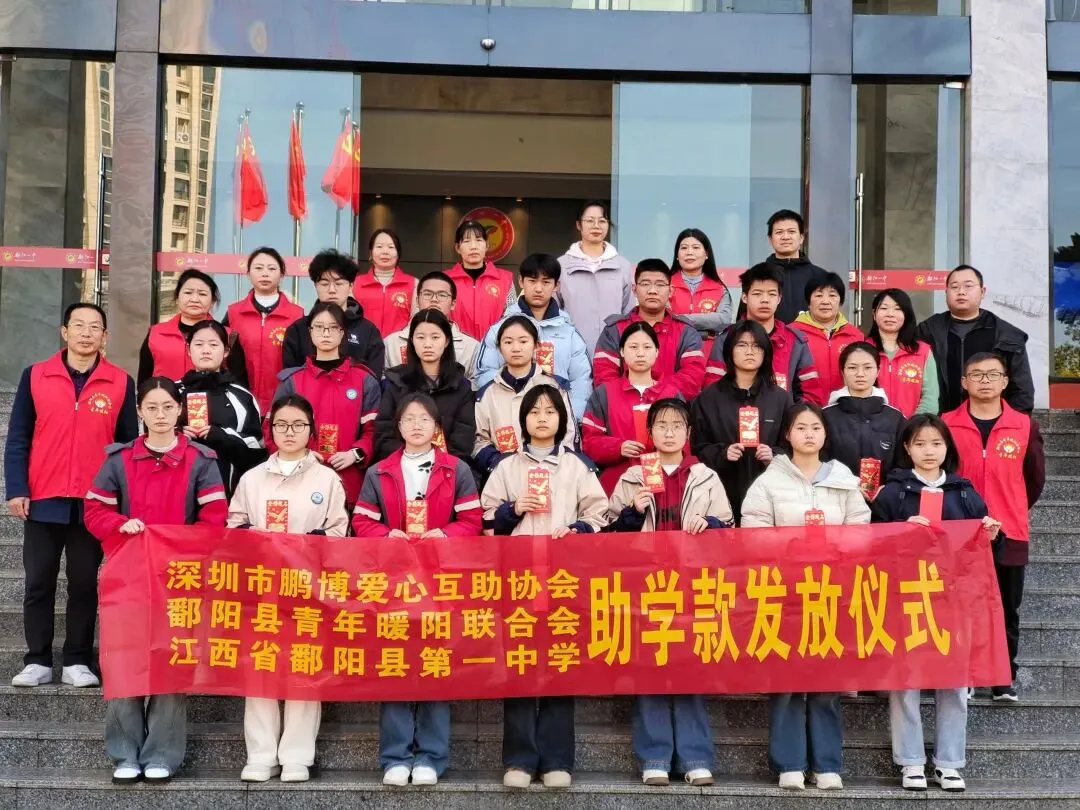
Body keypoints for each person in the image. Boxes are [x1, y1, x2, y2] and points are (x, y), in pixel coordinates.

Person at [84, 377, 227, 784]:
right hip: (127, 575)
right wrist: (119, 523)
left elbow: (214, 519)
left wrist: (184, 545)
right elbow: (94, 511)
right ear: (139, 412)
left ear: (180, 410)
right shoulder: (119, 459)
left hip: (179, 577)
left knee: (170, 661)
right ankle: (125, 753)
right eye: (152, 407)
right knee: (124, 660)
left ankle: (163, 752)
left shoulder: (201, 460)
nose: (160, 415)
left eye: (167, 407)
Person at [481, 384, 609, 790]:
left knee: (560, 666)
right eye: (534, 411)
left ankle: (556, 759)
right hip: (518, 582)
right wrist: (513, 509)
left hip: (562, 581)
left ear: (561, 419)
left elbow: (601, 513)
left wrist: (577, 529)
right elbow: (486, 520)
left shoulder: (577, 466)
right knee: (519, 668)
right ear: (524, 420)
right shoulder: (506, 467)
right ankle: (519, 759)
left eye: (550, 411)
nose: (541, 418)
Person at [352, 393, 483, 787]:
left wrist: (444, 534)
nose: (416, 425)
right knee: (394, 664)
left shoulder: (456, 469)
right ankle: (395, 756)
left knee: (435, 665)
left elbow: (472, 520)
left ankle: (430, 756)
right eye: (408, 418)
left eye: (424, 419)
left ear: (436, 426)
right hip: (393, 581)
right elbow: (362, 521)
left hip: (440, 580)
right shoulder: (380, 471)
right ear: (399, 426)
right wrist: (386, 535)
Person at [4, 303, 138, 689]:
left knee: (83, 583)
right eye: (78, 325)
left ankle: (78, 660)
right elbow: (18, 437)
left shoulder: (120, 381)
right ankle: (37, 660)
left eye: (95, 327)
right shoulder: (36, 375)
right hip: (43, 497)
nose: (86, 333)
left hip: (94, 502)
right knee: (38, 582)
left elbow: (127, 446)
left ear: (105, 336)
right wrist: (17, 488)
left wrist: (120, 501)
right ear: (64, 332)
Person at [741, 403, 871, 791]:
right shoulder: (769, 482)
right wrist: (792, 547)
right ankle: (789, 764)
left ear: (825, 434)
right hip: (784, 593)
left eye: (816, 427)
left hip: (831, 593)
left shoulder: (844, 479)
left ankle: (827, 764)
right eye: (801, 427)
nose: (809, 434)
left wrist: (834, 549)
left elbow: (861, 529)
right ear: (788, 434)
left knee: (827, 681)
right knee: (786, 681)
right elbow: (752, 532)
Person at [871, 414, 1001, 793]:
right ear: (907, 448)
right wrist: (900, 532)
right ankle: (911, 761)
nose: (929, 451)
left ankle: (949, 763)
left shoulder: (964, 492)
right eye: (920, 443)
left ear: (947, 448)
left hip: (954, 601)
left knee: (954, 684)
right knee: (906, 682)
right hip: (905, 600)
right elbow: (869, 545)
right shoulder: (892, 493)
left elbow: (983, 552)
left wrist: (992, 534)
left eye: (936, 443)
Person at [605, 398, 731, 788]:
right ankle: (655, 756)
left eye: (677, 425)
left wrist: (709, 523)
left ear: (689, 433)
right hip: (645, 584)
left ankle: (695, 757)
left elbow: (729, 528)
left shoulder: (706, 476)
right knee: (650, 668)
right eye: (661, 425)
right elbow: (607, 533)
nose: (670, 432)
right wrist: (631, 512)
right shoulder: (632, 477)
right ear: (650, 433)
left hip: (692, 584)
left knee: (691, 669)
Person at [228, 393, 348, 784]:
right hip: (262, 587)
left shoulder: (327, 479)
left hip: (308, 588)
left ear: (311, 430)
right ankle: (261, 754)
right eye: (282, 425)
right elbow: (234, 525)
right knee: (261, 667)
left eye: (298, 425)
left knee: (303, 667)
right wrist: (253, 537)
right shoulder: (252, 478)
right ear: (271, 430)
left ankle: (297, 754)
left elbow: (339, 530)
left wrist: (310, 544)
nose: (290, 432)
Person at [942, 352, 1045, 701]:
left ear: (1005, 381)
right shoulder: (946, 424)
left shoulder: (1024, 425)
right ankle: (967, 674)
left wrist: (1011, 505)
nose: (984, 381)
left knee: (1006, 607)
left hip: (1009, 529)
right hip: (960, 531)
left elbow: (1034, 478)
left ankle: (1003, 677)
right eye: (977, 374)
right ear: (964, 382)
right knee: (962, 605)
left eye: (992, 374)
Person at [273, 301, 381, 509]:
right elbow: (272, 431)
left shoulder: (364, 380)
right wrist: (300, 454)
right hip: (299, 477)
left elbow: (374, 430)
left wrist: (356, 453)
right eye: (319, 327)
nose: (326, 333)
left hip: (348, 479)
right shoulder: (292, 381)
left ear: (342, 333)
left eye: (333, 327)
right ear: (310, 332)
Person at [690, 321, 792, 521]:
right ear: (730, 350)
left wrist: (774, 455)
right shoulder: (708, 398)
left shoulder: (781, 399)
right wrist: (722, 454)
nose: (750, 351)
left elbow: (793, 447)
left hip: (770, 498)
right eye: (742, 345)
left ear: (765, 352)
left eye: (756, 346)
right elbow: (697, 448)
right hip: (721, 496)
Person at [474, 253, 592, 420]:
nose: (538, 288)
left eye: (546, 282)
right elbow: (484, 374)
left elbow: (582, 380)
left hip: (557, 422)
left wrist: (569, 417)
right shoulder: (499, 329)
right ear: (521, 282)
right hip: (510, 418)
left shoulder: (569, 332)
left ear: (556, 285)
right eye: (532, 281)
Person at [916, 265, 1034, 414]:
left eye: (968, 286)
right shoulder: (927, 330)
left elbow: (1022, 390)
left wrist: (1013, 423)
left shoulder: (1007, 335)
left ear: (982, 292)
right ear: (946, 292)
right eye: (954, 287)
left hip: (990, 422)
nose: (961, 292)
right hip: (938, 421)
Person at [581, 322, 682, 493]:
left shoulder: (671, 394)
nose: (640, 353)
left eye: (647, 347)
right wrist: (618, 447)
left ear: (657, 352)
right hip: (617, 486)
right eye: (633, 347)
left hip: (665, 485)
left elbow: (684, 445)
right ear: (621, 351)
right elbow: (589, 442)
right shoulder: (604, 393)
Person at [704, 263, 823, 404]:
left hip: (785, 417)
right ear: (744, 297)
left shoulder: (796, 342)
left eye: (772, 294)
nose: (765, 300)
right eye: (757, 293)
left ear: (779, 299)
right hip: (736, 416)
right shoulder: (726, 339)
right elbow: (712, 391)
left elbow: (811, 394)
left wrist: (794, 415)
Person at [474, 316, 576, 477]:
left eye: (523, 341)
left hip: (552, 474)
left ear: (536, 346)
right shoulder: (487, 394)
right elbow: (478, 440)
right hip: (503, 476)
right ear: (499, 348)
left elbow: (569, 435)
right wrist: (499, 462)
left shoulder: (555, 387)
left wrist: (549, 463)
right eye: (508, 342)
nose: (516, 348)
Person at [593, 259, 706, 398]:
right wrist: (635, 401)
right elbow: (604, 376)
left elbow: (692, 378)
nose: (652, 291)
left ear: (670, 291)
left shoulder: (686, 332)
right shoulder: (614, 330)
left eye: (660, 284)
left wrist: (653, 397)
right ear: (634, 289)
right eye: (645, 284)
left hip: (671, 408)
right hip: (623, 408)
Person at [177, 321, 266, 497]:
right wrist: (176, 435)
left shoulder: (242, 396)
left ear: (226, 351)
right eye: (199, 344)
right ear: (188, 349)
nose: (206, 350)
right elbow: (148, 438)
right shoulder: (171, 392)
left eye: (213, 344)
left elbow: (258, 448)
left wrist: (223, 436)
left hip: (228, 487)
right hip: (178, 488)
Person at [374, 309, 475, 464]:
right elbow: (384, 434)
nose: (428, 344)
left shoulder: (461, 386)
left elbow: (463, 438)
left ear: (447, 341)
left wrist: (436, 465)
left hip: (446, 468)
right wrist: (412, 461)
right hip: (401, 466)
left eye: (435, 337)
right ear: (412, 340)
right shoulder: (396, 382)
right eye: (420, 337)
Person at [222, 246, 304, 413]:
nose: (265, 274)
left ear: (282, 275)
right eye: (258, 268)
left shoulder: (297, 315)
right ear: (248, 274)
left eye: (272, 269)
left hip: (284, 400)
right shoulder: (233, 313)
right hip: (240, 399)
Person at [281, 249, 385, 376]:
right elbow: (291, 377)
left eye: (339, 283)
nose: (332, 290)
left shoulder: (368, 331)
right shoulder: (298, 330)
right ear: (315, 286)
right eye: (325, 283)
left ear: (351, 286)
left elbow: (373, 378)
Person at [822, 342, 905, 499]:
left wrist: (889, 488)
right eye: (852, 368)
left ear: (878, 371)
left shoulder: (896, 418)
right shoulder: (825, 416)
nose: (860, 374)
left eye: (867, 367)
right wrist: (847, 484)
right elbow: (819, 462)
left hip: (885, 501)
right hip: (837, 497)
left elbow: (904, 463)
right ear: (843, 371)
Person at [556, 200, 634, 355]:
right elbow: (554, 311)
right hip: (571, 351)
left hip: (613, 351)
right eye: (590, 221)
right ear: (579, 225)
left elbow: (629, 312)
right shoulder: (562, 265)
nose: (596, 226)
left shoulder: (623, 266)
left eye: (602, 221)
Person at [138, 269, 243, 385]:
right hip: (166, 396)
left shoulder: (228, 336)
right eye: (188, 293)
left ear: (213, 301)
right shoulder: (155, 333)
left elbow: (239, 384)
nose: (194, 299)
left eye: (202, 294)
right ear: (177, 297)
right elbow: (143, 382)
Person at [384, 271, 480, 386]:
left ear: (453, 304)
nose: (434, 299)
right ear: (417, 300)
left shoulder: (471, 346)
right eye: (427, 294)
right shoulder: (391, 343)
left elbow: (474, 387)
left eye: (442, 295)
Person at [866, 288, 938, 417]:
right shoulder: (862, 349)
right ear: (874, 314)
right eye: (884, 308)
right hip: (869, 426)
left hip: (912, 426)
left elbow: (930, 398)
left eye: (897, 309)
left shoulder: (923, 351)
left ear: (906, 314)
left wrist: (912, 425)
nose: (890, 314)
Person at [789, 272, 863, 397]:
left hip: (845, 405)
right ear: (808, 301)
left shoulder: (855, 336)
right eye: (818, 295)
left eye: (832, 295)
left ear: (841, 301)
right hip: (804, 405)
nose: (825, 301)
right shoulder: (792, 333)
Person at [444, 219, 516, 341]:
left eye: (478, 240)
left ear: (486, 245)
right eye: (466, 241)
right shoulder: (445, 280)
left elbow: (512, 318)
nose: (473, 247)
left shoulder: (505, 279)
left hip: (494, 347)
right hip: (455, 347)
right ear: (457, 248)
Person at [669, 228, 732, 358]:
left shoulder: (720, 289)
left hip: (709, 355)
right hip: (671, 352)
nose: (689, 252)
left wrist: (681, 318)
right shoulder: (665, 285)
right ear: (677, 255)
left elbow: (723, 320)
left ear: (706, 254)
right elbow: (663, 319)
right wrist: (706, 324)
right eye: (684, 248)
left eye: (696, 247)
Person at [762, 209, 826, 324]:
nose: (785, 237)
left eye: (791, 231)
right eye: (779, 232)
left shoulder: (820, 277)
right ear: (770, 240)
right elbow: (745, 320)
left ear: (801, 238)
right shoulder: (757, 275)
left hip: (808, 335)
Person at [352, 228, 417, 337]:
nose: (385, 252)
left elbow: (417, 319)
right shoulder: (355, 284)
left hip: (399, 345)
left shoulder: (413, 284)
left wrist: (397, 340)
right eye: (379, 247)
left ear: (398, 254)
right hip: (363, 344)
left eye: (391, 247)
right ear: (370, 253)